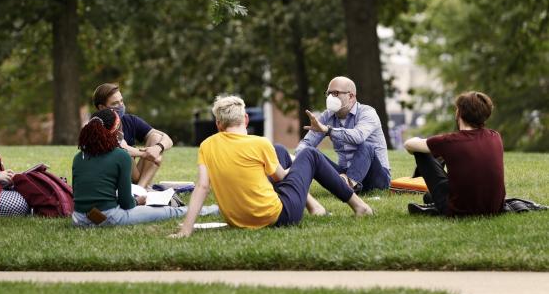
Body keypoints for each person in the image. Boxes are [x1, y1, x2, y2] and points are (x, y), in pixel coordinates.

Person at [172, 95, 372, 238]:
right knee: (310, 154)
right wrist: (297, 165)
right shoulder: (259, 143)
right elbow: (281, 177)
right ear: (245, 119)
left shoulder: (207, 145)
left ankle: (315, 207)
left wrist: (186, 230)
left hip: (238, 220)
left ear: (218, 124)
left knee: (279, 150)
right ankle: (359, 206)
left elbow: (202, 187)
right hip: (279, 216)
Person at [72, 108, 218, 227]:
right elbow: (126, 204)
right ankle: (212, 210)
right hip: (109, 217)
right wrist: (138, 202)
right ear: (116, 132)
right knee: (169, 212)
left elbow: (80, 196)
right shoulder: (120, 156)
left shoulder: (79, 158)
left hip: (79, 219)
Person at [403, 91, 506, 216]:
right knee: (430, 196)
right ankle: (433, 199)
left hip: (459, 210)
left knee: (421, 152)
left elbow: (409, 144)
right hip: (494, 208)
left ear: (460, 113)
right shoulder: (495, 136)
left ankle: (436, 202)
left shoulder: (450, 141)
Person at [297, 76, 390, 193]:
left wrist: (328, 130)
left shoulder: (368, 112)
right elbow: (307, 142)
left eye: (335, 93)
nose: (330, 97)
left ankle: (346, 186)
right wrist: (297, 158)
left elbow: (358, 136)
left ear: (351, 96)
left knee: (367, 146)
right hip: (344, 173)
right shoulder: (327, 116)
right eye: (328, 93)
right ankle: (298, 185)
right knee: (310, 153)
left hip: (376, 178)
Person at [92, 83, 172, 188]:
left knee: (156, 137)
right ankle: (140, 190)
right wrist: (147, 154)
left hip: (132, 175)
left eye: (121, 101)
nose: (121, 106)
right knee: (125, 154)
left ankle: (140, 189)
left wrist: (158, 147)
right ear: (102, 107)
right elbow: (121, 147)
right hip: (110, 177)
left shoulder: (129, 120)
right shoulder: (99, 124)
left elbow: (167, 139)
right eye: (115, 103)